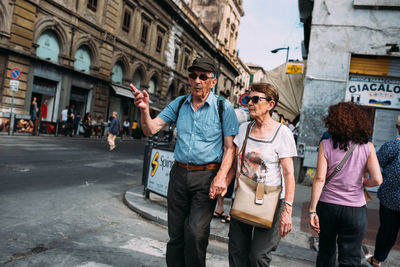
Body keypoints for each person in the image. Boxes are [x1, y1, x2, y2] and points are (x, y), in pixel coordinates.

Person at [131, 57, 239, 267]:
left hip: (206, 177)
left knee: (196, 233)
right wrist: (144, 110)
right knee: (176, 234)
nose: (197, 80)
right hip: (179, 175)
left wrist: (220, 178)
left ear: (212, 81)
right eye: (193, 75)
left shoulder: (223, 107)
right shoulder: (179, 103)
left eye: (203, 76)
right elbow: (150, 129)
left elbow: (230, 149)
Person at [228, 83, 297, 267]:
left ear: (270, 104)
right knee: (236, 253)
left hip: (271, 201)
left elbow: (289, 174)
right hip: (243, 196)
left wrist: (287, 211)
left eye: (256, 99)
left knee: (258, 257)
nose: (250, 103)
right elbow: (235, 164)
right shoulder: (244, 129)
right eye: (248, 99)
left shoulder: (283, 133)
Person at [309, 102, 382, 267]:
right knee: (350, 258)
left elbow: (320, 178)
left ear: (333, 121)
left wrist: (312, 209)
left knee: (326, 253)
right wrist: (363, 182)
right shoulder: (368, 147)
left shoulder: (325, 145)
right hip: (355, 210)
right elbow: (377, 179)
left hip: (327, 206)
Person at [365, 115, 400, 267]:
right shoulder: (394, 146)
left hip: (390, 198)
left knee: (387, 232)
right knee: (387, 232)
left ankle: (377, 260)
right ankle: (377, 259)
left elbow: (376, 162)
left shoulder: (393, 145)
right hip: (391, 198)